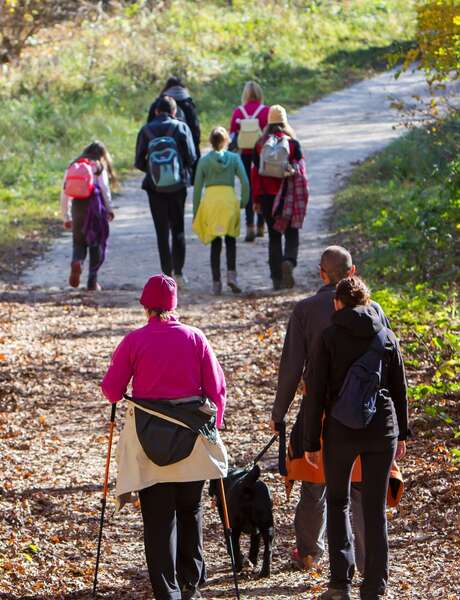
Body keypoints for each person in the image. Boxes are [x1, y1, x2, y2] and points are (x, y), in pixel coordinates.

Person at [101, 274, 228, 600]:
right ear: (174, 305)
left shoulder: (134, 341)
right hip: (192, 440)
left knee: (158, 520)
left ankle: (167, 592)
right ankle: (191, 583)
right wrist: (218, 427)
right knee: (190, 510)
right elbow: (217, 391)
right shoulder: (195, 338)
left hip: (149, 442)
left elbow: (112, 391)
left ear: (145, 306)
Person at [270, 246, 389, 573]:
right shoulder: (375, 310)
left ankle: (309, 553)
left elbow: (292, 367)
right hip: (367, 412)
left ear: (322, 274)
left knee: (315, 483)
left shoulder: (306, 310)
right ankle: (366, 563)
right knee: (362, 489)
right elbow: (389, 364)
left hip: (321, 411)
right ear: (353, 272)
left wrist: (279, 414)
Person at [304, 276, 409, 600]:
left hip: (341, 429)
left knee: (338, 502)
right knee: (375, 509)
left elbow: (315, 393)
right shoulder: (385, 336)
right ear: (366, 302)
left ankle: (340, 584)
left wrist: (310, 442)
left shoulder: (329, 338)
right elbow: (399, 388)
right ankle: (375, 586)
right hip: (382, 429)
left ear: (337, 303)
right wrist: (402, 433)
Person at [135, 96, 196, 287]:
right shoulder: (181, 128)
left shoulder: (146, 130)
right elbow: (192, 157)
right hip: (178, 187)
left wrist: (155, 173)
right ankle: (179, 273)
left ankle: (166, 276)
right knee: (178, 229)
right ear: (174, 111)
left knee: (161, 232)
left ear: (155, 112)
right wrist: (176, 172)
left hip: (154, 189)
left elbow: (138, 162)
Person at [251, 105, 309, 290]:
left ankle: (276, 279)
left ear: (268, 122)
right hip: (287, 197)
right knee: (292, 233)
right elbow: (300, 172)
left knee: (274, 237)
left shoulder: (260, 144)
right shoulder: (293, 144)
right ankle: (289, 262)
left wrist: (256, 199)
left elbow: (255, 174)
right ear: (285, 122)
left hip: (267, 197)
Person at [193, 126, 249, 295]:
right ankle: (232, 276)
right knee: (231, 240)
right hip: (229, 200)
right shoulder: (234, 158)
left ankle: (216, 282)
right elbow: (245, 182)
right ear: (226, 141)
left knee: (215, 242)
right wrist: (243, 202)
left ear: (210, 141)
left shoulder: (204, 161)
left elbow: (197, 188)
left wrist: (197, 211)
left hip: (212, 201)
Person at [61, 140, 115, 291]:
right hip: (95, 208)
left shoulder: (74, 165)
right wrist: (109, 209)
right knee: (95, 243)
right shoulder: (97, 167)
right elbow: (104, 190)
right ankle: (92, 281)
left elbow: (64, 194)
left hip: (78, 207)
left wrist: (66, 217)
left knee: (78, 242)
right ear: (101, 155)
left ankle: (77, 261)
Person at [229, 81, 269, 242]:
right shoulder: (266, 111)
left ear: (245, 94)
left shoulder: (238, 112)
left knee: (247, 188)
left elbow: (232, 134)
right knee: (261, 187)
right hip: (261, 154)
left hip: (244, 154)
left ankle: (249, 226)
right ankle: (261, 225)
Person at [148, 76, 201, 177]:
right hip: (181, 153)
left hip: (158, 151)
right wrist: (192, 161)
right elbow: (195, 131)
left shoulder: (158, 103)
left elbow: (149, 126)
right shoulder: (188, 104)